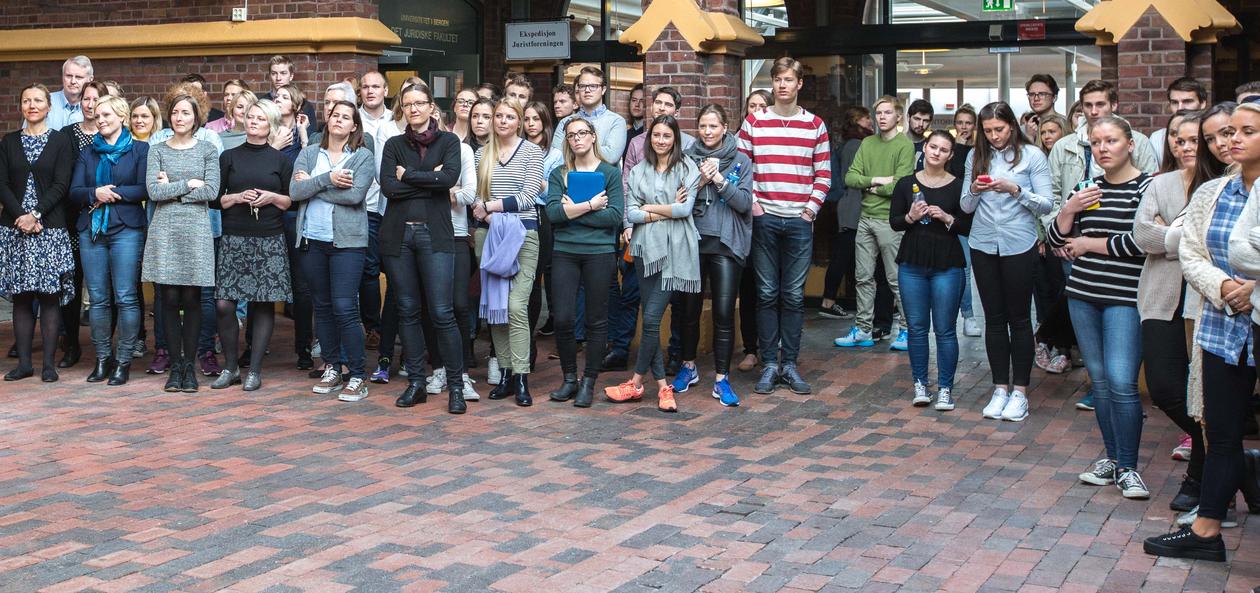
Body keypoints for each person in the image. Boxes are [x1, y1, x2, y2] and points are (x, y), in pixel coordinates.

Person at [1145, 101, 1260, 562]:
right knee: (1222, 433)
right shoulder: (1212, 192)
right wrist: (1227, 286)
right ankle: (1207, 531)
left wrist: (1254, 288)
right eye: (1227, 133)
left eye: (1245, 132)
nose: (1231, 140)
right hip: (1220, 325)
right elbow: (1190, 255)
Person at [1049, 115, 1152, 499]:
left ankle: (1129, 467)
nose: (1103, 148)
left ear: (1130, 144)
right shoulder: (1086, 187)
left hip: (1126, 298)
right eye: (1096, 142)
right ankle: (1113, 459)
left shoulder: (1147, 188)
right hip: (1083, 295)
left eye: (1111, 141)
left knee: (1124, 382)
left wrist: (1090, 244)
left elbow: (1141, 242)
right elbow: (1056, 238)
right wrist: (1069, 209)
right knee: (1102, 383)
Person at [738, 57, 832, 396]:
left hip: (798, 221)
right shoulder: (753, 123)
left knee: (792, 296)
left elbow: (824, 174)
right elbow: (739, 169)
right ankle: (769, 365)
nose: (782, 85)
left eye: (789, 79)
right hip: (765, 218)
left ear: (799, 84)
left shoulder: (815, 125)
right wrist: (754, 205)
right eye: (777, 78)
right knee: (765, 294)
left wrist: (809, 211)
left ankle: (789, 364)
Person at [1134, 110, 1210, 515]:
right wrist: (1181, 238)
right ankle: (1219, 455)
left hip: (1204, 303)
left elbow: (1216, 242)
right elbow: (1141, 234)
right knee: (1164, 389)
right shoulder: (1160, 183)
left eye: (1194, 139)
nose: (1185, 146)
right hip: (1161, 297)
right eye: (1178, 140)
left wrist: (1170, 234)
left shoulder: (1221, 186)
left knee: (1203, 394)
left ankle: (1200, 477)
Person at [961, 101, 1054, 422]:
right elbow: (966, 206)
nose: (994, 136)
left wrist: (1016, 189)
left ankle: (1021, 392)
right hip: (983, 243)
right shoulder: (976, 156)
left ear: (1012, 126)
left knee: (1020, 319)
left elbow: (1046, 204)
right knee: (994, 319)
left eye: (999, 130)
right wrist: (974, 189)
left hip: (1019, 243)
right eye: (987, 132)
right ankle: (1000, 388)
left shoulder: (1033, 156)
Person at [379, 84, 467, 414]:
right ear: (402, 109)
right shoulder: (393, 144)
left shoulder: (449, 142)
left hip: (436, 235)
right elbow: (389, 187)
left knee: (442, 313)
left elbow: (449, 181)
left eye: (420, 103)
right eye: (408, 104)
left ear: (432, 107)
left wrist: (411, 176)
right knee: (407, 310)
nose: (414, 109)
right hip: (398, 237)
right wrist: (429, 178)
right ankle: (416, 382)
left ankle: (456, 386)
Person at [605, 115, 700, 412]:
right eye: (656, 135)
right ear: (650, 139)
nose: (660, 140)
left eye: (666, 136)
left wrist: (648, 207)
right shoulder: (638, 171)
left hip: (676, 249)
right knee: (651, 320)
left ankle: (634, 383)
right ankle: (662, 388)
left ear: (675, 139)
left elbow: (685, 208)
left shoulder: (688, 167)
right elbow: (630, 213)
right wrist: (664, 211)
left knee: (652, 319)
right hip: (646, 248)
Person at [289, 100, 375, 401]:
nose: (338, 120)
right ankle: (333, 367)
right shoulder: (310, 153)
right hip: (312, 240)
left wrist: (313, 185)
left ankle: (358, 374)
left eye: (345, 117)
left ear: (354, 126)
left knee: (344, 307)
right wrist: (327, 180)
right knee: (322, 307)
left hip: (348, 243)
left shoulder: (362, 157)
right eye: (335, 115)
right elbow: (294, 192)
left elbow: (354, 196)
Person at [205, 99, 294, 392]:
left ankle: (254, 370)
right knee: (223, 303)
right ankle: (231, 367)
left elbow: (289, 200)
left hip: (268, 236)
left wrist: (271, 197)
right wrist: (238, 197)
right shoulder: (229, 157)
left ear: (271, 125)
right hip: (235, 235)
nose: (254, 121)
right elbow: (217, 199)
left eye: (261, 118)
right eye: (251, 117)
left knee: (263, 302)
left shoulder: (280, 160)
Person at [673, 104, 755, 407]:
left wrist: (719, 180)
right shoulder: (685, 159)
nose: (707, 132)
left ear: (725, 127)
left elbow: (744, 204)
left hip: (726, 243)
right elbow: (677, 199)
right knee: (688, 310)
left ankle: (722, 378)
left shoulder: (741, 160)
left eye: (713, 126)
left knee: (722, 312)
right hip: (692, 242)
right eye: (703, 126)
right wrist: (700, 181)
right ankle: (688, 367)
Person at [464, 100, 544, 407]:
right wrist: (483, 211)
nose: (502, 121)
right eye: (499, 115)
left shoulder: (532, 152)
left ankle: (523, 376)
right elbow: (475, 197)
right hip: (488, 235)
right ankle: (507, 374)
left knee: (515, 306)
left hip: (523, 233)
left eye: (510, 116)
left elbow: (528, 196)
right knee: (495, 307)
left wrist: (492, 207)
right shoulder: (481, 154)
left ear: (520, 121)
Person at [544, 117, 624, 408]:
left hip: (600, 253)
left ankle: (588, 381)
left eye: (582, 133)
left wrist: (572, 210)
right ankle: (569, 379)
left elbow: (614, 217)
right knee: (563, 318)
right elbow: (553, 214)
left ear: (593, 137)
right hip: (565, 251)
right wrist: (590, 206)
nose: (577, 139)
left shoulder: (610, 173)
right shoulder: (559, 174)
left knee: (595, 319)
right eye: (571, 135)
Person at [143, 93, 220, 393]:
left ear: (196, 117)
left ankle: (190, 365)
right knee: (169, 299)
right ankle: (175, 366)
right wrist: (188, 184)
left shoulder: (207, 150)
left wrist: (172, 189)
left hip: (196, 231)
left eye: (185, 113)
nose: (179, 117)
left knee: (192, 299)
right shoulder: (157, 150)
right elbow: (153, 191)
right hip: (165, 231)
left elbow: (212, 190)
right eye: (175, 112)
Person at [69, 95, 149, 386]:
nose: (100, 119)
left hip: (127, 229)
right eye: (97, 115)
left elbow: (143, 189)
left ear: (121, 117)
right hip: (92, 230)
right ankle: (103, 359)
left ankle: (124, 361)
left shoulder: (140, 149)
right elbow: (75, 191)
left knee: (126, 297)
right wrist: (94, 194)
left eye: (106, 115)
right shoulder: (87, 152)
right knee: (99, 300)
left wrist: (111, 193)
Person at [0, 84, 76, 383]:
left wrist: (35, 214)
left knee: (48, 296)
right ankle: (24, 364)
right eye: (26, 101)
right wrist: (21, 215)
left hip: (48, 227)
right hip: (15, 228)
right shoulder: (8, 142)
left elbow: (61, 184)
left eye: (38, 100)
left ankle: (48, 364)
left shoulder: (60, 142)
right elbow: (2, 183)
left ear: (48, 107)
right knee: (21, 297)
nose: (32, 105)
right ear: (21, 107)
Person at [890, 130, 970, 410]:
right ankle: (920, 385)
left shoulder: (959, 186)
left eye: (943, 149)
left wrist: (947, 217)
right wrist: (911, 216)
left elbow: (969, 226)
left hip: (947, 263)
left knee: (946, 329)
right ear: (924, 148)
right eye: (932, 147)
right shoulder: (906, 183)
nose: (936, 153)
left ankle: (946, 388)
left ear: (950, 156)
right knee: (916, 328)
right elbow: (895, 222)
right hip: (912, 263)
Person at [836, 96, 913, 351]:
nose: (881, 117)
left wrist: (870, 185)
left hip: (890, 221)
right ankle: (864, 330)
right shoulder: (867, 143)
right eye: (878, 112)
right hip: (865, 218)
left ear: (898, 116)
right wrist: (879, 180)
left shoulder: (905, 146)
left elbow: (901, 185)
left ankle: (906, 330)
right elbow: (850, 178)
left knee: (895, 279)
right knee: (863, 277)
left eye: (887, 112)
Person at [57, 80, 107, 369]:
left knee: (104, 287)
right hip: (73, 217)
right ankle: (71, 344)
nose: (90, 104)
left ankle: (106, 348)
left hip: (106, 215)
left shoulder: (112, 133)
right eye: (86, 99)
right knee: (72, 284)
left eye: (95, 99)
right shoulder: (67, 135)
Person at [819, 106, 871, 320]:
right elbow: (855, 178)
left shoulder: (848, 144)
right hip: (853, 208)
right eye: (867, 118)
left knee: (846, 256)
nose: (871, 121)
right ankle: (828, 302)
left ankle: (833, 301)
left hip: (848, 207)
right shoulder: (856, 145)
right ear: (858, 120)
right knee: (843, 256)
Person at [736, 89, 773, 373]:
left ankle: (774, 345)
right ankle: (751, 349)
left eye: (762, 106)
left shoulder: (777, 136)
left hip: (772, 218)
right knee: (748, 288)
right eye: (752, 106)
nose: (757, 110)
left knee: (772, 288)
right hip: (746, 223)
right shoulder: (736, 142)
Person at [551, 66, 627, 165]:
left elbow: (611, 156)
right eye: (582, 86)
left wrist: (574, 149)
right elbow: (557, 158)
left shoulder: (616, 121)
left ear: (603, 89)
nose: (587, 90)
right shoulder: (565, 122)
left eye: (593, 86)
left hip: (604, 179)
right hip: (571, 178)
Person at [1151, 78, 1208, 163]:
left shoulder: (1211, 134)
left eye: (1187, 101)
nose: (1180, 108)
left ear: (1202, 103)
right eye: (1175, 102)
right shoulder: (1158, 138)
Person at [265, 55, 317, 125]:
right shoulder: (262, 101)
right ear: (270, 76)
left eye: (283, 73)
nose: (278, 78)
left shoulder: (304, 106)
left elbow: (310, 134)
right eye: (274, 73)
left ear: (291, 76)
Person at [45, 56, 93, 131]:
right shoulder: (45, 101)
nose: (73, 81)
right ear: (62, 77)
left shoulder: (95, 106)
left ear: (90, 80)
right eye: (69, 76)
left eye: (78, 77)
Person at [271, 83, 309, 164]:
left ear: (295, 104)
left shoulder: (302, 131)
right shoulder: (268, 129)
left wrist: (303, 133)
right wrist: (275, 146)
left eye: (285, 97)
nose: (278, 100)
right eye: (276, 96)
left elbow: (308, 164)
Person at [905, 99, 933, 171]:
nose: (921, 124)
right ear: (908, 117)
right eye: (917, 119)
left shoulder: (931, 146)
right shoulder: (896, 143)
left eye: (925, 121)